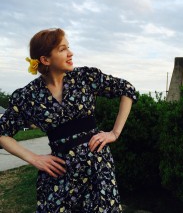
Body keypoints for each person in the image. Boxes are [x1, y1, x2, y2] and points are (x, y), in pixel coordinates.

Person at [0, 28, 137, 213]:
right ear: (45, 60)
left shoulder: (85, 78)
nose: (70, 53)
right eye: (62, 49)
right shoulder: (28, 96)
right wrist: (34, 159)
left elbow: (126, 89)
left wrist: (114, 133)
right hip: (60, 175)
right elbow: (2, 133)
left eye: (68, 47)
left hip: (97, 170)